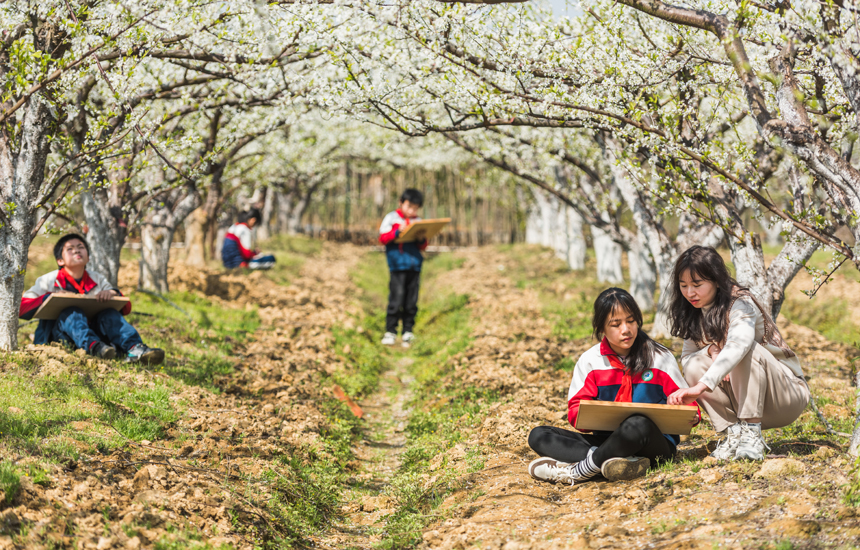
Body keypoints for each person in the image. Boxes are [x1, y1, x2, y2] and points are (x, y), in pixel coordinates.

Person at [528, 288, 699, 485]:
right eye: (615, 324)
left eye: (631, 321)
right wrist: (588, 414)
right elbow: (575, 411)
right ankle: (616, 463)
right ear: (601, 328)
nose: (626, 329)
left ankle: (579, 471)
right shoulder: (590, 361)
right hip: (607, 442)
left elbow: (689, 407)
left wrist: (687, 412)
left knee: (637, 423)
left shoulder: (659, 357)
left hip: (654, 447)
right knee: (539, 435)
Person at [666, 245, 809, 461]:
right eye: (683, 285)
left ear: (715, 280)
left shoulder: (741, 304)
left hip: (785, 396)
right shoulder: (694, 312)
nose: (689, 293)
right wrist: (712, 350)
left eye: (697, 285)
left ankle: (752, 434)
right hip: (742, 399)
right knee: (694, 363)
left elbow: (739, 344)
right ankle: (733, 434)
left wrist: (700, 387)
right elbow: (687, 358)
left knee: (746, 350)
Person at [19, 233, 165, 364]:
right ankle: (95, 348)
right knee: (72, 312)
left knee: (109, 314)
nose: (76, 250)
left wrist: (113, 294)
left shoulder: (97, 279)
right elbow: (21, 308)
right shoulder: (48, 280)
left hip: (97, 333)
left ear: (88, 257)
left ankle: (135, 349)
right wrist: (49, 297)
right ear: (60, 260)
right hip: (61, 338)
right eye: (69, 249)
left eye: (80, 247)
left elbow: (126, 308)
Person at [378, 189, 428, 348]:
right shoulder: (391, 218)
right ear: (401, 203)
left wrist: (421, 238)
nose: (412, 210)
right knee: (396, 297)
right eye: (409, 206)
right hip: (397, 265)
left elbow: (423, 245)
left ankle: (408, 330)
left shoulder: (418, 221)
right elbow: (383, 238)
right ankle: (390, 331)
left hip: (414, 265)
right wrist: (396, 231)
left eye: (415, 208)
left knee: (411, 299)